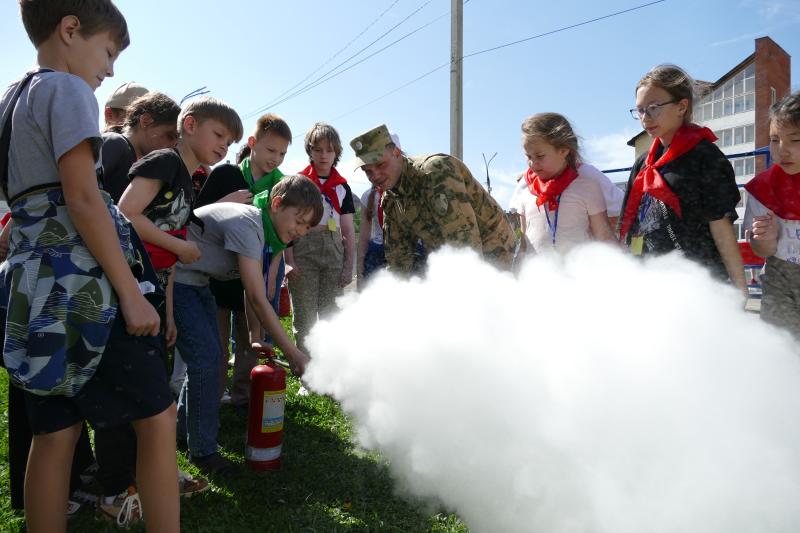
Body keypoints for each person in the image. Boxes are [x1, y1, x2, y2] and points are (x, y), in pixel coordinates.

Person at [0, 2, 178, 532]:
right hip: (84, 286)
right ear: (70, 29)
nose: (111, 70)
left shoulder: (10, 101)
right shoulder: (67, 89)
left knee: (54, 434)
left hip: (32, 289)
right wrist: (129, 291)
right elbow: (82, 197)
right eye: (108, 51)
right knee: (157, 417)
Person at [96, 94, 223, 522]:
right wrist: (180, 245)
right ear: (189, 125)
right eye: (219, 134)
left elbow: (164, 264)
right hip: (125, 294)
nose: (225, 145)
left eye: (231, 139)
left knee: (154, 400)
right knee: (136, 398)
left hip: (153, 295)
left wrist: (168, 312)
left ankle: (153, 476)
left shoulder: (189, 179)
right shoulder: (166, 161)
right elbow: (125, 214)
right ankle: (116, 492)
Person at [172, 175, 322, 475]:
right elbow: (255, 296)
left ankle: (181, 433)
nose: (300, 232)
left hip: (197, 283)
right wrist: (294, 354)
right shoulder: (250, 223)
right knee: (206, 361)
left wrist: (255, 335)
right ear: (277, 204)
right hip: (176, 281)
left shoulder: (266, 232)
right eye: (299, 221)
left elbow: (250, 290)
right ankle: (202, 451)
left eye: (307, 227)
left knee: (210, 359)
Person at [195, 112, 292, 408]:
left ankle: (244, 394)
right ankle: (215, 392)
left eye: (283, 153)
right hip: (222, 268)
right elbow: (202, 215)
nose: (275, 158)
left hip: (261, 268)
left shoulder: (281, 186)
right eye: (270, 150)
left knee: (253, 332)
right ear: (252, 144)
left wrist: (274, 272)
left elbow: (281, 237)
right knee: (218, 333)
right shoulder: (231, 175)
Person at [618, 64, 745, 290]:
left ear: (682, 106)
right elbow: (636, 226)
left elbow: (720, 225)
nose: (645, 118)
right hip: (653, 279)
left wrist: (740, 286)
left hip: (700, 280)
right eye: (640, 110)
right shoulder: (643, 164)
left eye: (654, 107)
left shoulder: (705, 157)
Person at [350, 124, 516, 272]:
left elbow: (465, 247)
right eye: (367, 171)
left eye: (380, 165)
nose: (375, 176)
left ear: (397, 153)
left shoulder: (436, 172)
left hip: (492, 248)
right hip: (447, 254)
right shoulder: (391, 200)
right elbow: (398, 260)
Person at [285, 123, 355, 352]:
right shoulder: (299, 183)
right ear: (310, 151)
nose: (323, 155)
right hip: (303, 252)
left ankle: (329, 372)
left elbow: (348, 230)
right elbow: (287, 225)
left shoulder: (343, 187)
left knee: (331, 316)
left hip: (333, 255)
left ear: (336, 153)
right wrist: (289, 260)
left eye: (329, 150)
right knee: (304, 317)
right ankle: (305, 373)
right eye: (318, 149)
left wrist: (348, 267)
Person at [515, 113, 614, 255]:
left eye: (540, 156)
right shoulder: (525, 190)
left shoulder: (586, 185)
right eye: (528, 156)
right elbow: (524, 244)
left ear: (563, 150)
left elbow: (604, 237)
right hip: (536, 274)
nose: (532, 163)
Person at [744, 91, 800, 338]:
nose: (782, 150)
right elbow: (761, 251)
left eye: (795, 140)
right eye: (775, 139)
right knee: (780, 348)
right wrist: (764, 240)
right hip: (778, 278)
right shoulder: (763, 189)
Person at [100, 91, 180, 203]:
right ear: (145, 121)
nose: (172, 147)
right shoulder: (117, 143)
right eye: (170, 136)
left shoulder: (138, 164)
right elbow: (84, 190)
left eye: (176, 144)